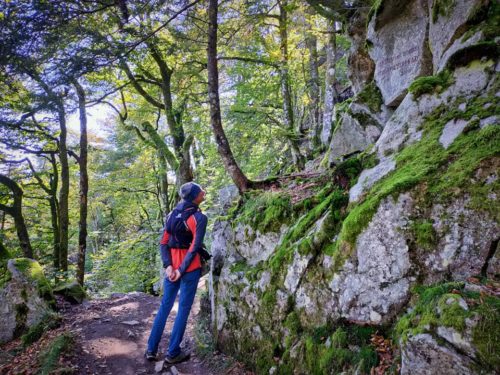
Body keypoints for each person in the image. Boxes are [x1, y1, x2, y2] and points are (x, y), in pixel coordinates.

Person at [145, 182, 207, 364]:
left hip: (172, 270)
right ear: (195, 196)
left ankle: (151, 349)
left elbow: (163, 242)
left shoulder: (172, 215)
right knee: (183, 310)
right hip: (189, 269)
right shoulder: (198, 218)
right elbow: (195, 246)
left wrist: (168, 266)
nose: (203, 193)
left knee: (164, 307)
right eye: (201, 192)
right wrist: (180, 269)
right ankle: (173, 353)